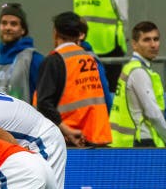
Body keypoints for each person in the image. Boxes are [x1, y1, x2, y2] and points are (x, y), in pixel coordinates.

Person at [36, 11, 112, 148]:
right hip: (97, 139)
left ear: (55, 33)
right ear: (79, 35)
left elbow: (44, 104)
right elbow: (106, 99)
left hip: (70, 140)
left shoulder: (54, 61)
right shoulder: (91, 60)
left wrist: (66, 130)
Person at [110, 21, 166, 147]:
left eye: (156, 39)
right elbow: (153, 114)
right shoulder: (138, 72)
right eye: (146, 40)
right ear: (134, 45)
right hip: (141, 140)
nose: (153, 45)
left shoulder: (131, 68)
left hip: (131, 141)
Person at [0, 2, 44, 102]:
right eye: (4, 23)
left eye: (13, 24)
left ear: (23, 30)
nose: (8, 28)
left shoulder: (33, 58)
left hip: (23, 117)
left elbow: (41, 99)